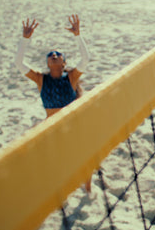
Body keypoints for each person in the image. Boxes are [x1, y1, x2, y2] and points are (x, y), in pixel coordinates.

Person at [15, 14, 92, 192]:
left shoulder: (71, 77)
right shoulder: (41, 79)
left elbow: (85, 60)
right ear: (48, 63)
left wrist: (78, 35)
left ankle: (87, 185)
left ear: (64, 63)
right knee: (52, 160)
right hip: (52, 127)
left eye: (58, 54)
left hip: (72, 125)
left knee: (81, 156)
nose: (54, 55)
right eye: (51, 55)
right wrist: (25, 40)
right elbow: (19, 63)